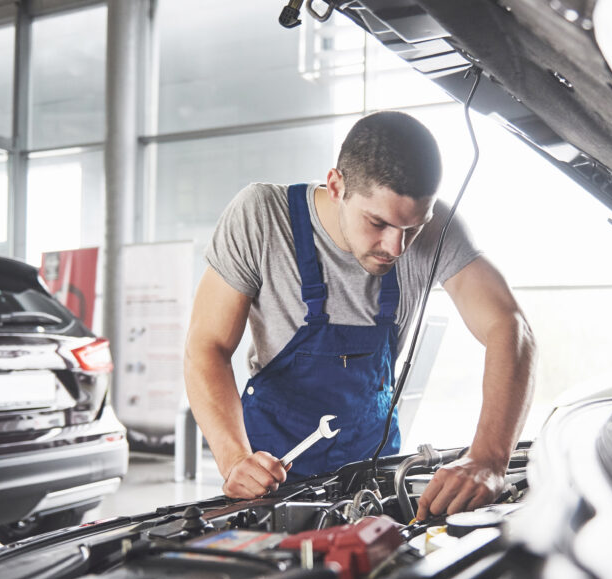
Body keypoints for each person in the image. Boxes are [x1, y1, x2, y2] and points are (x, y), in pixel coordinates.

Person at [184, 111, 535, 520]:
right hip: (268, 484)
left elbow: (510, 327)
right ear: (336, 186)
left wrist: (489, 458)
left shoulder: (436, 230)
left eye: (413, 228)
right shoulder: (263, 217)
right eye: (378, 222)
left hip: (374, 480)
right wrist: (233, 460)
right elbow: (206, 346)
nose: (398, 247)